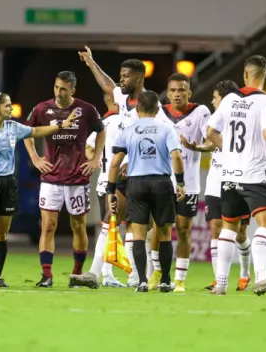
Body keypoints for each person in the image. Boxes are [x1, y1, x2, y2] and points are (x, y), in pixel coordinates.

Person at [0, 92, 80, 287]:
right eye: (7, 105)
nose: (11, 108)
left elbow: (36, 131)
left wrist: (61, 125)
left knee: (1, 234)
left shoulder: (13, 127)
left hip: (8, 184)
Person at [78, 46, 171, 287]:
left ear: (139, 77)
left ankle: (150, 276)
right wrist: (91, 62)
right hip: (122, 175)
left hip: (143, 174)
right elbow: (107, 86)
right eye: (121, 74)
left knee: (145, 228)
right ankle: (95, 274)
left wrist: (133, 160)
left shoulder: (152, 104)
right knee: (112, 219)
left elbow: (161, 136)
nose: (122, 79)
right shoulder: (122, 97)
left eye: (126, 75)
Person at [206, 55, 266, 295]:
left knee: (229, 227)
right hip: (254, 175)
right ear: (265, 75)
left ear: (244, 74)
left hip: (229, 175)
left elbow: (210, 131)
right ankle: (261, 278)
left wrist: (230, 150)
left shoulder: (230, 99)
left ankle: (221, 284)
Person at [23, 71, 106, 288]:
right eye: (56, 87)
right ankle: (47, 275)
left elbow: (101, 131)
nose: (59, 93)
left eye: (64, 89)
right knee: (48, 226)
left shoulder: (86, 109)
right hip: (51, 178)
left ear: (73, 90)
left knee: (78, 226)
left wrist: (96, 158)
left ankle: (76, 274)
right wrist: (35, 158)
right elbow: (26, 132)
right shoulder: (43, 108)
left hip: (78, 179)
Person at [106, 90, 185, 292]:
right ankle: (166, 281)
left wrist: (111, 191)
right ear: (158, 109)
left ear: (137, 108)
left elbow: (115, 164)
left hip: (137, 183)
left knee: (139, 234)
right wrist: (181, 183)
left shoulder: (128, 130)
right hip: (161, 182)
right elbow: (176, 156)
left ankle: (142, 281)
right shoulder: (166, 129)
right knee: (164, 233)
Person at [180, 80, 252, 292]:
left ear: (226, 98)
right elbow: (210, 142)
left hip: (238, 179)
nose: (212, 101)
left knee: (239, 233)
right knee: (215, 228)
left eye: (215, 98)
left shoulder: (243, 118)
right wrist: (197, 147)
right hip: (214, 182)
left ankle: (245, 274)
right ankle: (218, 278)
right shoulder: (214, 119)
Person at [147, 73, 212, 293]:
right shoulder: (158, 114)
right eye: (173, 90)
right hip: (162, 181)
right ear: (168, 91)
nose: (177, 94)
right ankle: (157, 272)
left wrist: (197, 147)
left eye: (182, 90)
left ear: (189, 92)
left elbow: (211, 142)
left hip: (190, 183)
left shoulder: (201, 112)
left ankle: (180, 279)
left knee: (184, 230)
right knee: (159, 228)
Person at [69, 91, 127, 289]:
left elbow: (88, 146)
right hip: (119, 180)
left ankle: (106, 273)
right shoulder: (122, 120)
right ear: (113, 100)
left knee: (110, 227)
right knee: (122, 227)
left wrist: (96, 162)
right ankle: (121, 274)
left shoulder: (102, 123)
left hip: (103, 180)